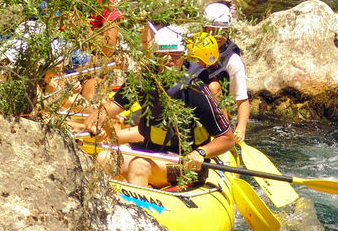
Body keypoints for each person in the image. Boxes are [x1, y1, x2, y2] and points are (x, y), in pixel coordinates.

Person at [84, 25, 236, 188]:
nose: (170, 60)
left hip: (185, 163)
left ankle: (140, 210)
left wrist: (201, 153)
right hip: (150, 151)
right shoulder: (143, 80)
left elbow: (227, 139)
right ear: (155, 57)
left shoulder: (196, 89)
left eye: (175, 55)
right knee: (103, 157)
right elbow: (112, 107)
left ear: (184, 56)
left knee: (139, 165)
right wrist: (95, 121)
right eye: (163, 55)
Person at [198, 2, 250, 143]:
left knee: (213, 87)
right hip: (193, 108)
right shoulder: (191, 47)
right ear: (204, 28)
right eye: (215, 30)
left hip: (218, 115)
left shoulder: (233, 61)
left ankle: (223, 135)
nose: (219, 36)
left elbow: (242, 100)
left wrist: (241, 128)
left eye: (224, 31)